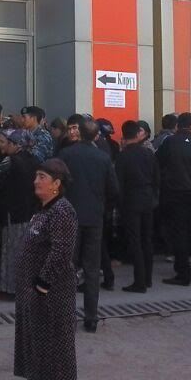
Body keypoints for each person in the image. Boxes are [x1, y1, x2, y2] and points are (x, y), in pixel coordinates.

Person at [13, 158, 79, 380]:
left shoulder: (61, 211)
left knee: (51, 346)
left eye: (42, 177)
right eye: (36, 176)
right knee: (47, 345)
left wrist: (42, 284)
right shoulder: (45, 209)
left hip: (51, 292)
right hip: (39, 291)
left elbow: (61, 251)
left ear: (56, 184)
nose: (36, 181)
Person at [57, 119, 120, 331]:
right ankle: (91, 317)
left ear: (79, 133)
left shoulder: (66, 155)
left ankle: (65, 315)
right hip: (94, 217)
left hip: (70, 216)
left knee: (68, 266)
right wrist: (103, 207)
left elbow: (57, 184)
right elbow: (113, 189)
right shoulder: (103, 158)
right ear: (96, 136)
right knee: (92, 269)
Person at [157, 113, 191, 286]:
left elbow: (159, 162)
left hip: (175, 192)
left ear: (177, 125)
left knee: (179, 233)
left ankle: (182, 273)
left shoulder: (170, 142)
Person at [116, 120, 159, 293]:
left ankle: (139, 281)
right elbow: (157, 178)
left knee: (135, 241)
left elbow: (119, 183)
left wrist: (118, 204)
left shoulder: (123, 156)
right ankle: (147, 278)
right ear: (137, 134)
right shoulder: (149, 153)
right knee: (147, 239)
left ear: (124, 135)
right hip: (148, 200)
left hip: (131, 202)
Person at [0, 130, 39, 299]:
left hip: (13, 211)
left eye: (9, 143)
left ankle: (10, 288)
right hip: (31, 211)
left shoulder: (10, 161)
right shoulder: (36, 161)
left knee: (11, 250)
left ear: (16, 145)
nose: (6, 146)